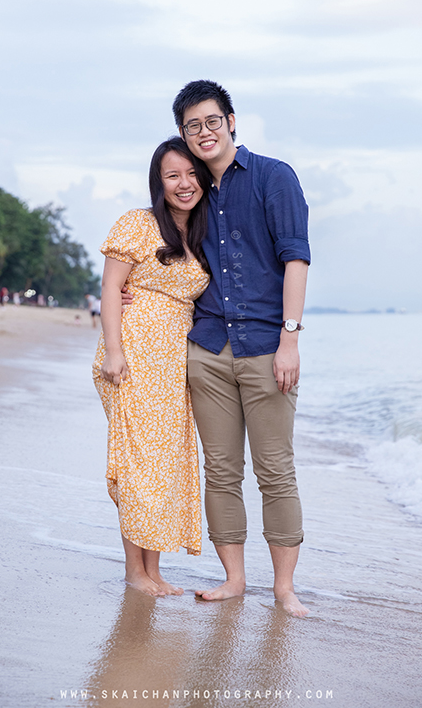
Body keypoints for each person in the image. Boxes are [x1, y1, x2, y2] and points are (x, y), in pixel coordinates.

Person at [172, 80, 311, 616]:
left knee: (275, 469)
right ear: (183, 133)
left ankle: (283, 588)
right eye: (192, 125)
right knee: (221, 469)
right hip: (206, 348)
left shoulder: (275, 178)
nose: (203, 132)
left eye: (211, 121)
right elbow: (167, 250)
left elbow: (295, 258)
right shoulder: (190, 190)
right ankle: (233, 579)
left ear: (231, 121)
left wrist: (290, 340)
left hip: (265, 346)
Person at [92, 137, 210, 597]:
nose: (184, 184)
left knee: (163, 463)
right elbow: (110, 289)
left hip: (174, 362)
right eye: (172, 175)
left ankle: (154, 570)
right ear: (158, 182)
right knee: (138, 460)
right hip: (132, 355)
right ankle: (133, 571)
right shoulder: (137, 224)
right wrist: (115, 352)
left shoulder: (201, 236)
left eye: (190, 173)